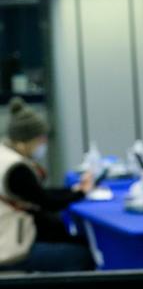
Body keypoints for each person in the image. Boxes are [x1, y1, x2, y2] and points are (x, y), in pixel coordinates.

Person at [0, 97, 95, 272]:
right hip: (11, 247)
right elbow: (47, 202)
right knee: (83, 255)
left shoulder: (4, 156)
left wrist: (74, 190)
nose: (43, 144)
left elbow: (35, 194)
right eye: (40, 139)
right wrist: (81, 193)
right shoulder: (16, 169)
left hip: (8, 235)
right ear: (24, 141)